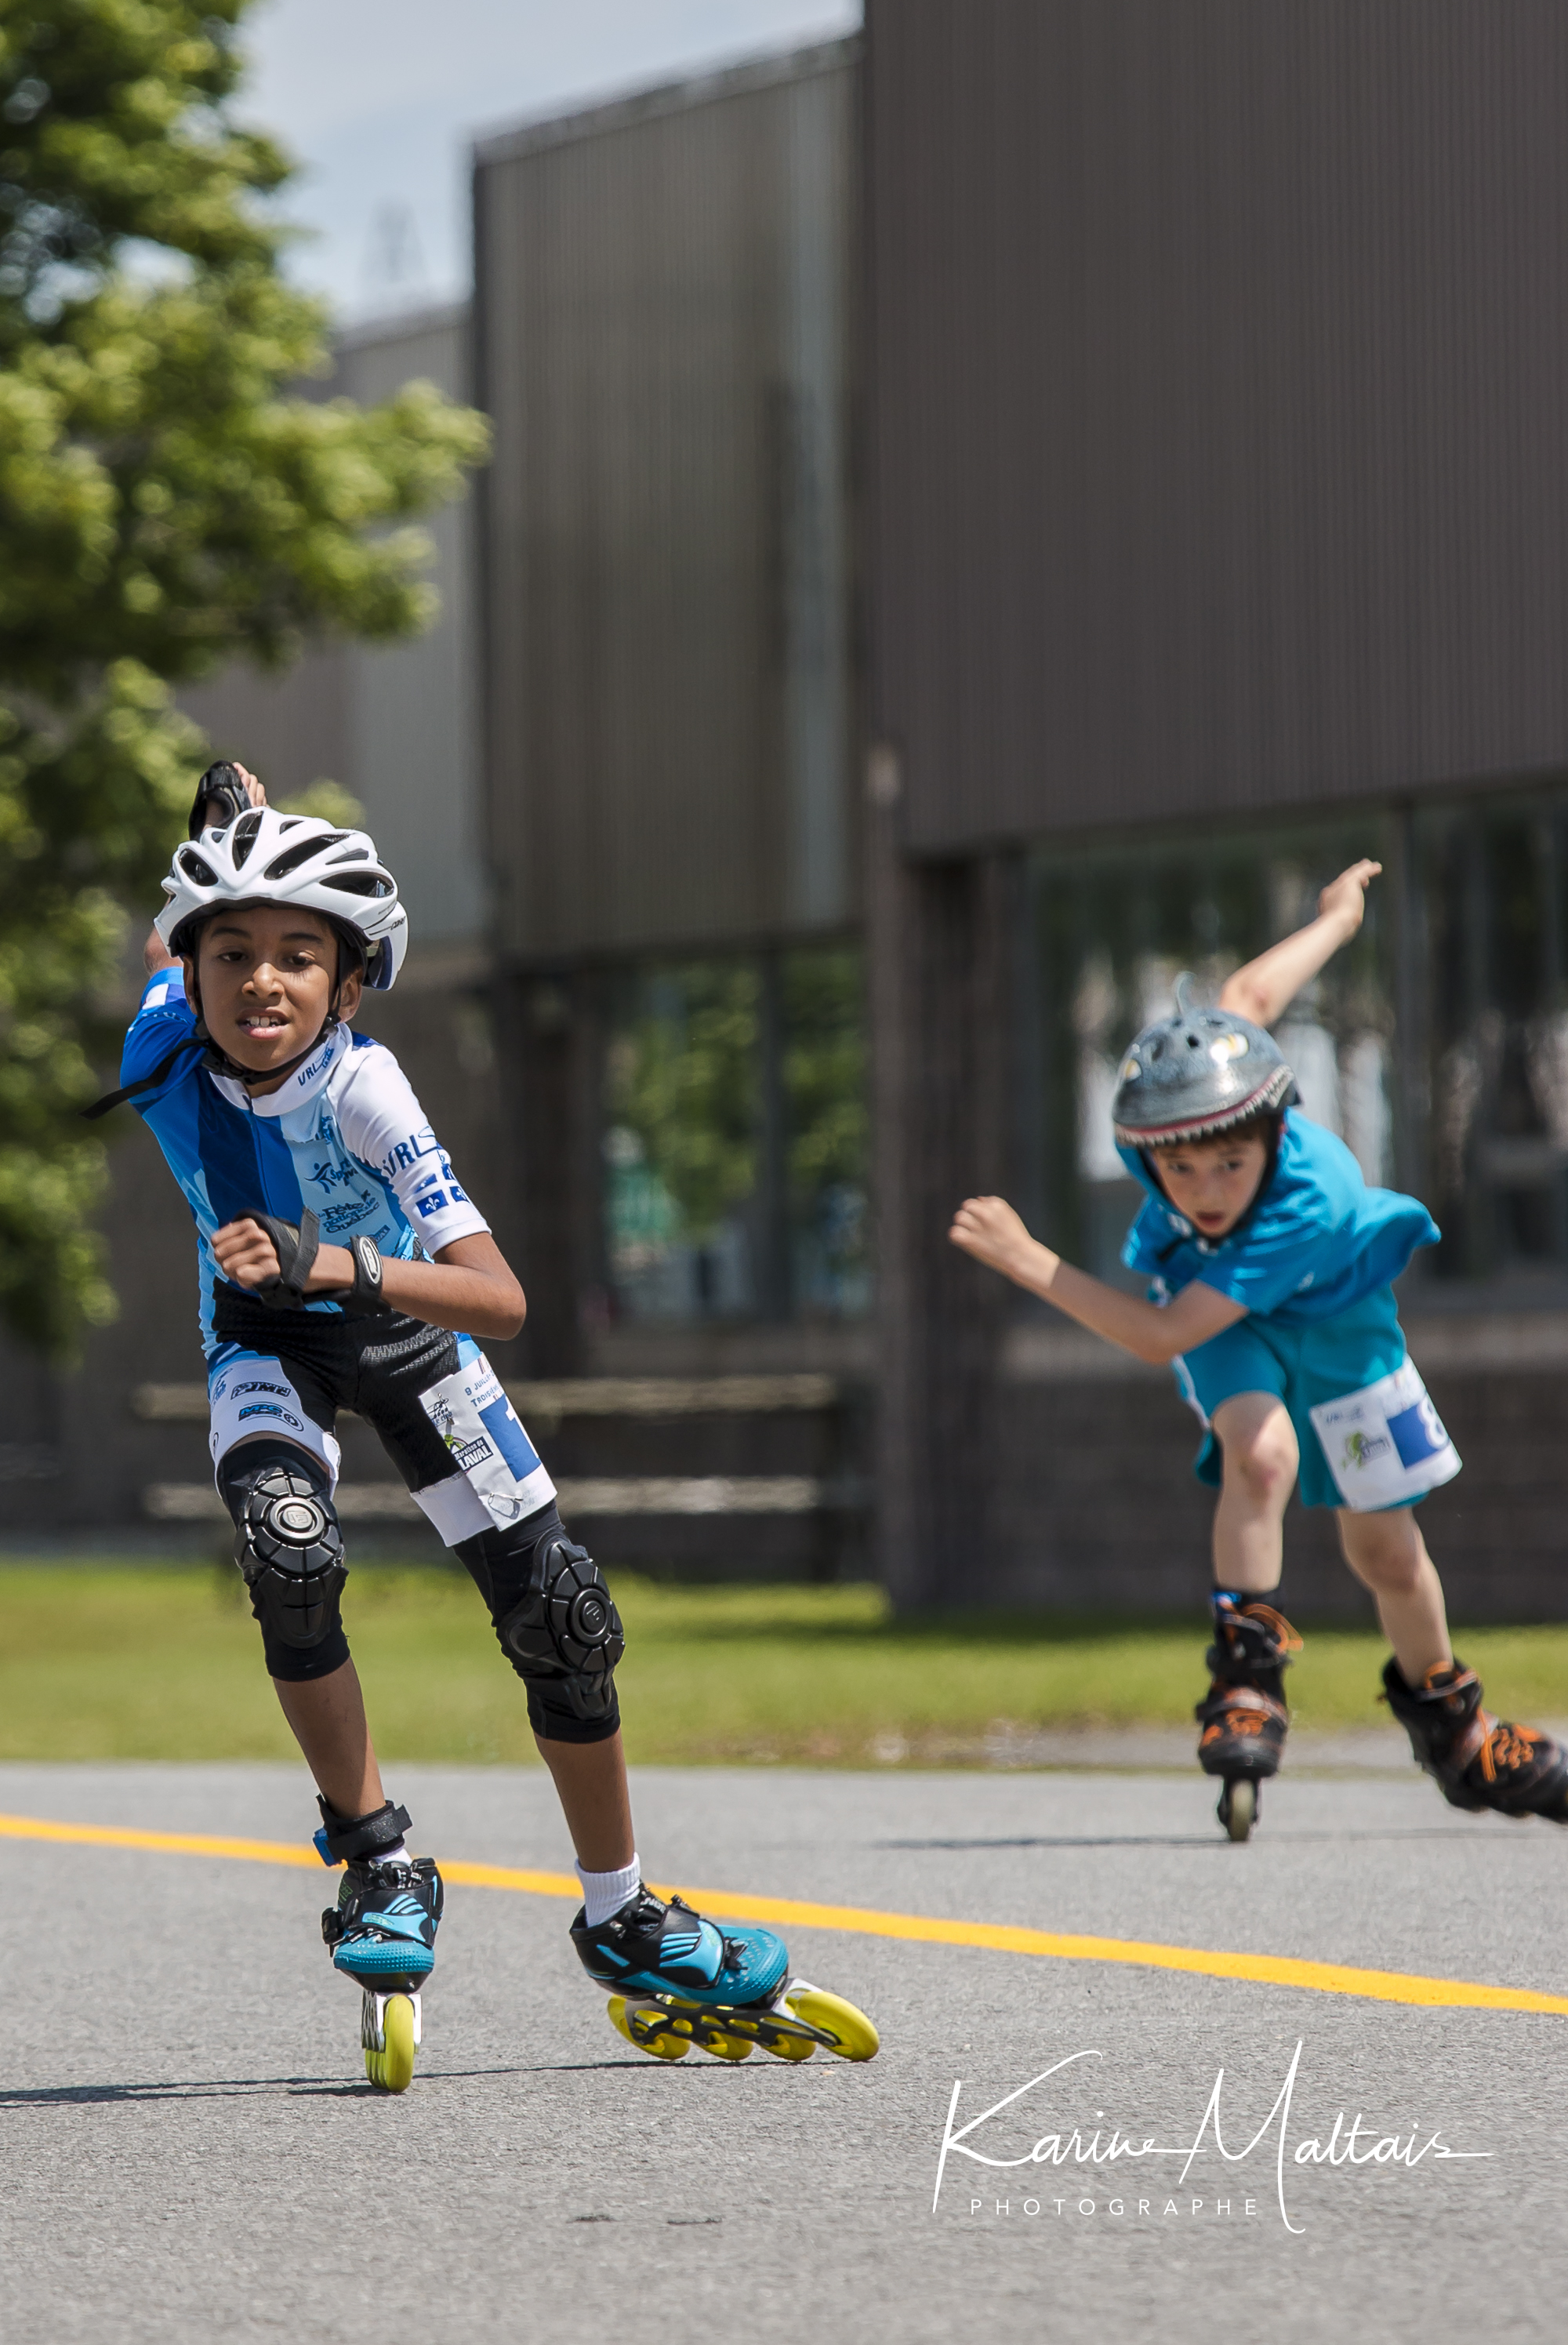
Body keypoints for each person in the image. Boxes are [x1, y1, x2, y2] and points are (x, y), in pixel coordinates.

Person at [98, 762, 875, 2082]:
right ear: (193, 966)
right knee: (290, 1556)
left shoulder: (366, 1092)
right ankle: (379, 1860)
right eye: (235, 955)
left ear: (351, 988)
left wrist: (336, 1262)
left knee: (560, 1616)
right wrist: (237, 831)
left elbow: (501, 1298)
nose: (264, 983)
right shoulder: (163, 1039)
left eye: (301, 959)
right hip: (263, 1337)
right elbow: (194, 922)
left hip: (401, 1319)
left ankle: (624, 1911)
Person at [949, 861, 1568, 1839]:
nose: (1201, 1188)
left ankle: (1458, 1731)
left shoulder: (1303, 1199)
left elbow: (1156, 1337)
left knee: (1388, 1553)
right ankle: (1245, 1678)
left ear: (1273, 1129)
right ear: (1147, 1145)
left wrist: (1032, 1264)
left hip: (1338, 1321)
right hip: (1228, 1324)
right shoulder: (1178, 1117)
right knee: (1261, 1451)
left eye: (1227, 1162)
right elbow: (1244, 998)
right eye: (1177, 1167)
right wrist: (1333, 920)